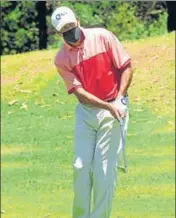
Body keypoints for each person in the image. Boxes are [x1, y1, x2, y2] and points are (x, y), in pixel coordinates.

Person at [51, 6, 133, 218]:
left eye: (71, 26)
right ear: (58, 33)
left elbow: (126, 66)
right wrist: (107, 106)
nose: (70, 31)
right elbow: (79, 93)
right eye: (64, 30)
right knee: (80, 166)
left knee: (104, 170)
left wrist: (120, 99)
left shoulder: (103, 37)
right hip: (88, 112)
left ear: (78, 21)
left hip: (114, 105)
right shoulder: (61, 59)